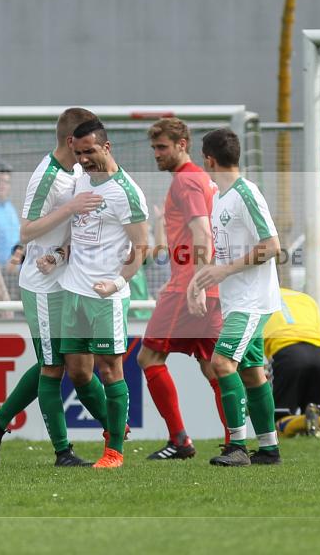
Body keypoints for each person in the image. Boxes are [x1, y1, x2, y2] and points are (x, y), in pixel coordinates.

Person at [0, 107, 109, 468]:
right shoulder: (47, 176)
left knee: (78, 364)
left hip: (67, 278)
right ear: (71, 140)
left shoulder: (76, 171)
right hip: (43, 286)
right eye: (85, 144)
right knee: (53, 367)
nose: (89, 151)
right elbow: (27, 230)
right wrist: (72, 210)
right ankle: (63, 452)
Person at [58, 118, 149, 468]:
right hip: (73, 291)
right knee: (79, 373)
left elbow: (141, 248)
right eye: (78, 153)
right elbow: (77, 228)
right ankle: (116, 424)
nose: (83, 159)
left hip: (105, 295)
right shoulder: (81, 179)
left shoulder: (126, 192)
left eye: (90, 152)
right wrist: (60, 253)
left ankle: (114, 451)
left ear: (107, 147)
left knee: (111, 370)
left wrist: (118, 283)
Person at [190, 128, 283, 467]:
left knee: (221, 363)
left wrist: (225, 271)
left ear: (208, 160)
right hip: (236, 300)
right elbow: (226, 254)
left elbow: (272, 246)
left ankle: (238, 447)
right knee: (252, 373)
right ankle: (269, 449)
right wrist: (198, 282)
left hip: (252, 300)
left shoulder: (246, 193)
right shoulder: (218, 197)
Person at [138, 117, 227, 460]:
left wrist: (197, 284)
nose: (156, 154)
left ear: (182, 145)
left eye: (162, 147)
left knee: (149, 357)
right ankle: (235, 442)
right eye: (154, 148)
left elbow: (203, 233)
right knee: (215, 367)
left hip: (187, 286)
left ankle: (180, 441)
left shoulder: (186, 180)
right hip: (206, 284)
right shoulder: (201, 179)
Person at [264, 288, 320, 438]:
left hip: (288, 354)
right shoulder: (306, 299)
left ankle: (314, 421)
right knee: (315, 421)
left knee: (279, 422)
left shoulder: (257, 299)